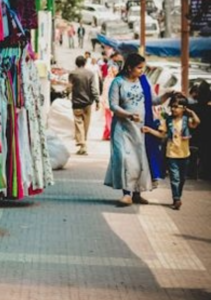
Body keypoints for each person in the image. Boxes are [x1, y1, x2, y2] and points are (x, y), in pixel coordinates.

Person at [105, 53, 153, 206]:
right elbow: (113, 106)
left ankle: (137, 193)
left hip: (139, 128)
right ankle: (126, 193)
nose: (142, 71)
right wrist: (129, 115)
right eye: (139, 68)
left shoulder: (143, 82)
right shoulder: (118, 82)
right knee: (125, 159)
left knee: (138, 159)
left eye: (143, 68)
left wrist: (168, 95)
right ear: (129, 67)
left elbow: (154, 100)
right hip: (122, 127)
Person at [143, 93, 201, 209]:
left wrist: (192, 113)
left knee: (182, 179)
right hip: (171, 154)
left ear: (183, 108)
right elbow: (161, 134)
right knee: (175, 178)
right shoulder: (168, 120)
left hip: (185, 154)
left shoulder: (186, 120)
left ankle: (178, 195)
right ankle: (176, 199)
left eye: (176, 106)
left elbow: (197, 122)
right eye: (172, 106)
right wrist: (149, 130)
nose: (173, 109)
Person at [68, 55, 100, 154]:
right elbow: (93, 88)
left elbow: (69, 86)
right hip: (87, 103)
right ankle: (83, 144)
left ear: (76, 63)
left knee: (78, 124)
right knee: (86, 124)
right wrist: (97, 100)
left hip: (76, 102)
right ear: (85, 63)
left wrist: (66, 94)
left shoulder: (72, 73)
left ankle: (82, 144)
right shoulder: (90, 74)